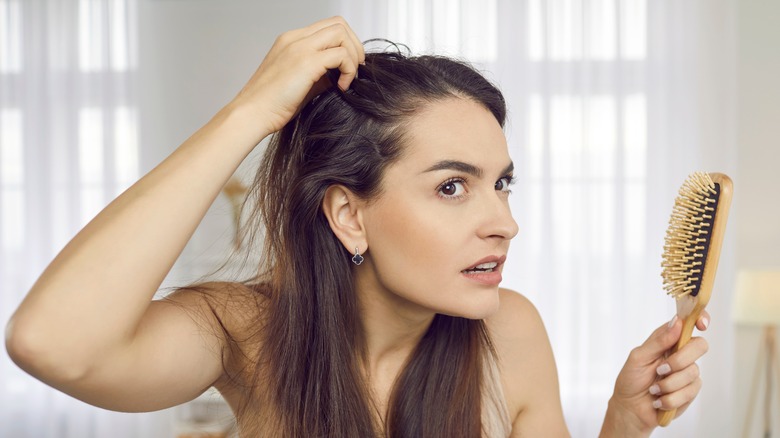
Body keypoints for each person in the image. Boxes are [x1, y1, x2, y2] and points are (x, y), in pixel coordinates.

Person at [4, 16, 709, 438]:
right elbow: (52, 344)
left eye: (502, 184)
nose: (504, 223)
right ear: (349, 215)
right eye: (453, 186)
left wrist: (622, 423)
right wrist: (250, 113)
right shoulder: (248, 333)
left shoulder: (509, 333)